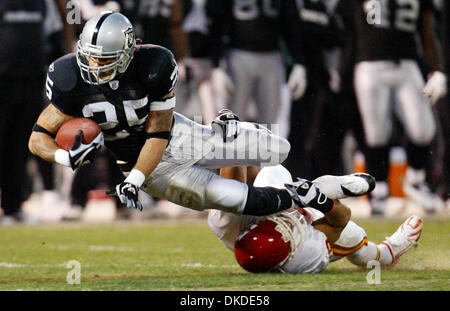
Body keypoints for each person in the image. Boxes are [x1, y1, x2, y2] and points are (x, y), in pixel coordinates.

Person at [29, 12, 367, 218]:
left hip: (178, 137)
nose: (94, 66)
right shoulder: (68, 76)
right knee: (244, 201)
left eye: (104, 59)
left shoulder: (154, 64)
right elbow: (37, 137)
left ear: (130, 51)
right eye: (89, 57)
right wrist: (64, 156)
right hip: (151, 172)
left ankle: (227, 125)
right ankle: (310, 193)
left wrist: (132, 182)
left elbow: (158, 132)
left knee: (278, 149)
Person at [208, 165, 423, 273]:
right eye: (286, 228)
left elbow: (232, 178)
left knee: (268, 171)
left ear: (252, 227)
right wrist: (321, 201)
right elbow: (340, 220)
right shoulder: (305, 255)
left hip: (260, 209)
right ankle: (388, 252)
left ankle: (309, 192)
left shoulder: (226, 223)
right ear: (289, 250)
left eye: (279, 224)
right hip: (310, 226)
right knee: (355, 240)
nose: (286, 222)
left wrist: (233, 139)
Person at [352, 0, 447, 214]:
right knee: (376, 134)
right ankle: (378, 192)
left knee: (424, 130)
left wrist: (437, 69)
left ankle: (415, 181)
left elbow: (427, 31)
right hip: (370, 63)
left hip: (406, 63)